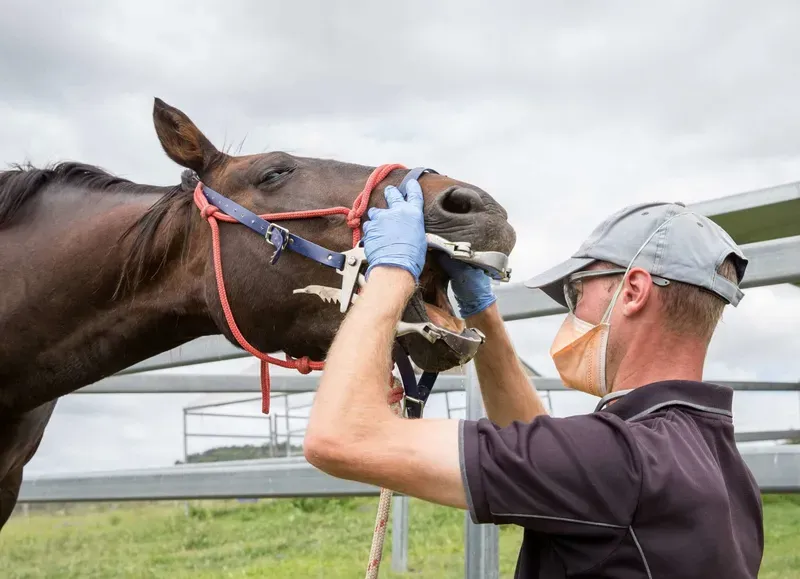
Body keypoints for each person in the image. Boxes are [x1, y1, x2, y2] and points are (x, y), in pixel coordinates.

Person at [304, 180, 765, 578]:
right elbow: (537, 446)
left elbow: (340, 437)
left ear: (633, 291)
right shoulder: (724, 470)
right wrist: (482, 312)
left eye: (577, 290)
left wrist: (391, 273)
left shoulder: (619, 461)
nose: (572, 311)